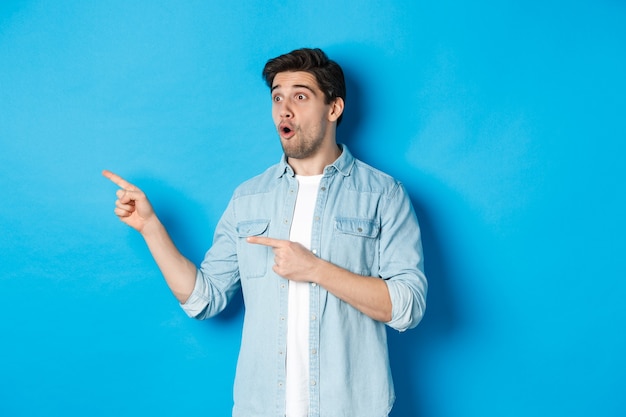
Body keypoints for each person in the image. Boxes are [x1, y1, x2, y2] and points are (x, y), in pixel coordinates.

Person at [103, 47, 427, 417]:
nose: (284, 109)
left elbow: (408, 306)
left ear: (334, 108)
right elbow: (203, 299)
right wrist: (150, 228)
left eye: (300, 96)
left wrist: (315, 269)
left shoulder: (384, 195)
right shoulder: (248, 199)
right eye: (277, 98)